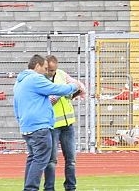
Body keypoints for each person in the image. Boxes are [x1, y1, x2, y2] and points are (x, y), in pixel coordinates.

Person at [13, 54, 79, 191]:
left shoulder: (19, 82)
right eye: (44, 68)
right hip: (40, 127)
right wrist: (73, 86)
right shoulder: (35, 78)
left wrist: (21, 121)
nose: (46, 71)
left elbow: (16, 105)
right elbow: (55, 89)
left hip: (27, 126)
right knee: (41, 159)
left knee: (33, 158)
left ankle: (29, 188)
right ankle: (31, 188)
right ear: (37, 66)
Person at [44, 55, 85, 191]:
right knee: (51, 160)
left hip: (68, 124)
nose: (52, 73)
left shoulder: (61, 74)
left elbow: (77, 86)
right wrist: (61, 92)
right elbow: (48, 100)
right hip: (53, 125)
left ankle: (71, 187)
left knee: (71, 160)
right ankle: (49, 188)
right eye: (50, 70)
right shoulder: (40, 80)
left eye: (54, 70)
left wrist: (73, 90)